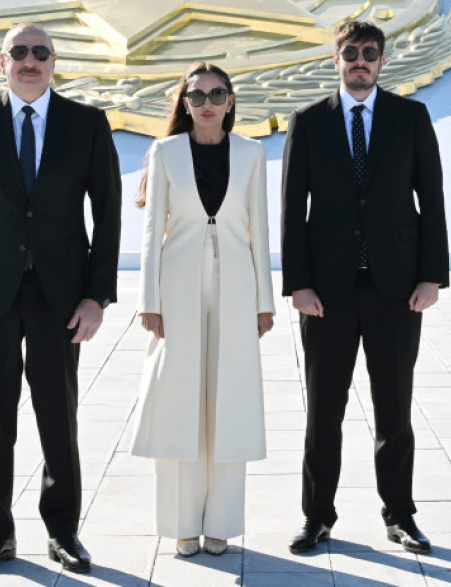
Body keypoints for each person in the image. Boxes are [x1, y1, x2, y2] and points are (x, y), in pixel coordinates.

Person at [0, 22, 121, 576]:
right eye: (19, 52)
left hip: (60, 297)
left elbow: (108, 215)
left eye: (40, 52)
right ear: (2, 62)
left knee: (57, 417)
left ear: (54, 60)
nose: (30, 60)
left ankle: (63, 531)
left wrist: (97, 297)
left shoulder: (86, 124)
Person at [281, 20, 449, 555]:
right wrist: (299, 285)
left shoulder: (411, 117)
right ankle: (317, 516)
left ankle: (400, 515)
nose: (359, 61)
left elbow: (433, 200)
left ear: (382, 61)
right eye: (350, 52)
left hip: (396, 290)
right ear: (335, 60)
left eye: (369, 53)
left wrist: (431, 276)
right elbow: (291, 210)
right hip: (326, 295)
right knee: (322, 413)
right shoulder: (308, 122)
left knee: (394, 409)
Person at [130, 62, 275, 558]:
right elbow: (152, 233)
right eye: (197, 96)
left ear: (231, 101)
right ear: (185, 103)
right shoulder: (165, 151)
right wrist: (150, 303)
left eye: (217, 94)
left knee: (228, 405)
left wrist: (264, 302)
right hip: (176, 288)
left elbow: (260, 230)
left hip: (237, 289)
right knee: (179, 405)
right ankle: (180, 525)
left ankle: (222, 525)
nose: (207, 102)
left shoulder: (253, 154)